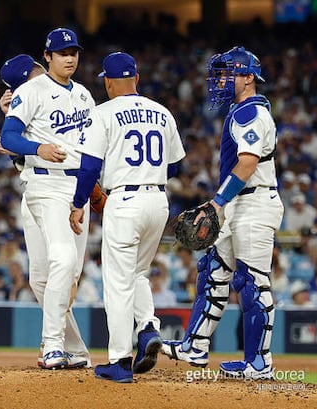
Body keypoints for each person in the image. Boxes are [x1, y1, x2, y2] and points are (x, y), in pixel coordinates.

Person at [161, 46, 284, 380]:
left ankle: (259, 363)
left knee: (252, 283)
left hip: (255, 204)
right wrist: (223, 204)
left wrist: (216, 203)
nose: (220, 81)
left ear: (248, 77)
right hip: (240, 204)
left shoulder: (251, 113)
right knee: (213, 272)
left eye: (228, 74)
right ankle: (195, 346)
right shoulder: (241, 110)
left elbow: (247, 164)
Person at [69, 52, 186, 382]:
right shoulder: (162, 112)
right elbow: (176, 166)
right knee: (137, 272)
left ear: (107, 81)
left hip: (124, 199)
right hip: (158, 201)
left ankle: (119, 361)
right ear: (136, 78)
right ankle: (148, 327)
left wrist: (78, 203)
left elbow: (89, 167)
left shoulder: (102, 112)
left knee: (118, 283)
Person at [0, 28, 95, 369]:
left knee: (54, 276)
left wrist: (93, 190)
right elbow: (9, 137)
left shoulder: (84, 95)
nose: (70, 58)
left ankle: (75, 350)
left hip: (78, 189)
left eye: (74, 52)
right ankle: (53, 345)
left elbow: (92, 150)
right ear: (48, 56)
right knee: (62, 261)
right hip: (45, 184)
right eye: (63, 53)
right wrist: (37, 148)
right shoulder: (31, 91)